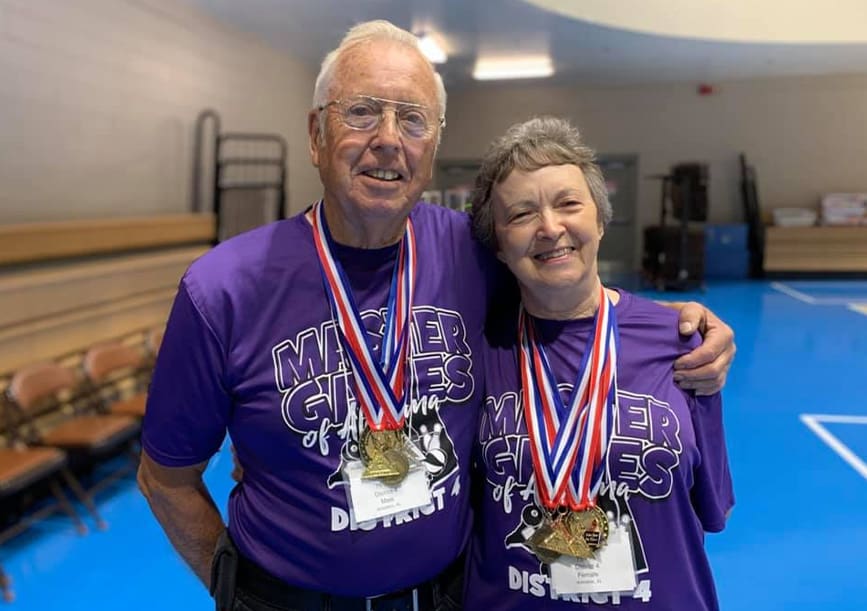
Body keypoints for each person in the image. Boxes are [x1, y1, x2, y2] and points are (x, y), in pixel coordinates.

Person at [136, 20, 734, 611]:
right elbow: (166, 479)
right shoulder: (223, 290)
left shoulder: (472, 253)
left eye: (413, 118)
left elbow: (566, 285)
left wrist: (677, 323)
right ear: (317, 134)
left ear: (432, 147)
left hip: (445, 596)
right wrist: (233, 590)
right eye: (363, 111)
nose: (389, 138)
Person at [464, 116, 734, 610]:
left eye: (568, 203)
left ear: (600, 219)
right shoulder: (480, 349)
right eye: (522, 214)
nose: (550, 227)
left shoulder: (683, 342)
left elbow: (710, 507)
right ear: (499, 247)